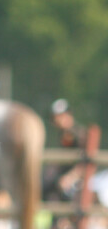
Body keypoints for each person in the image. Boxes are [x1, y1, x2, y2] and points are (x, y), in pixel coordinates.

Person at [43, 98, 87, 229]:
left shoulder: (79, 134)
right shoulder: (62, 135)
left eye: (60, 116)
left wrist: (70, 177)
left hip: (75, 184)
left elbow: (85, 164)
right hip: (60, 184)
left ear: (68, 115)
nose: (57, 120)